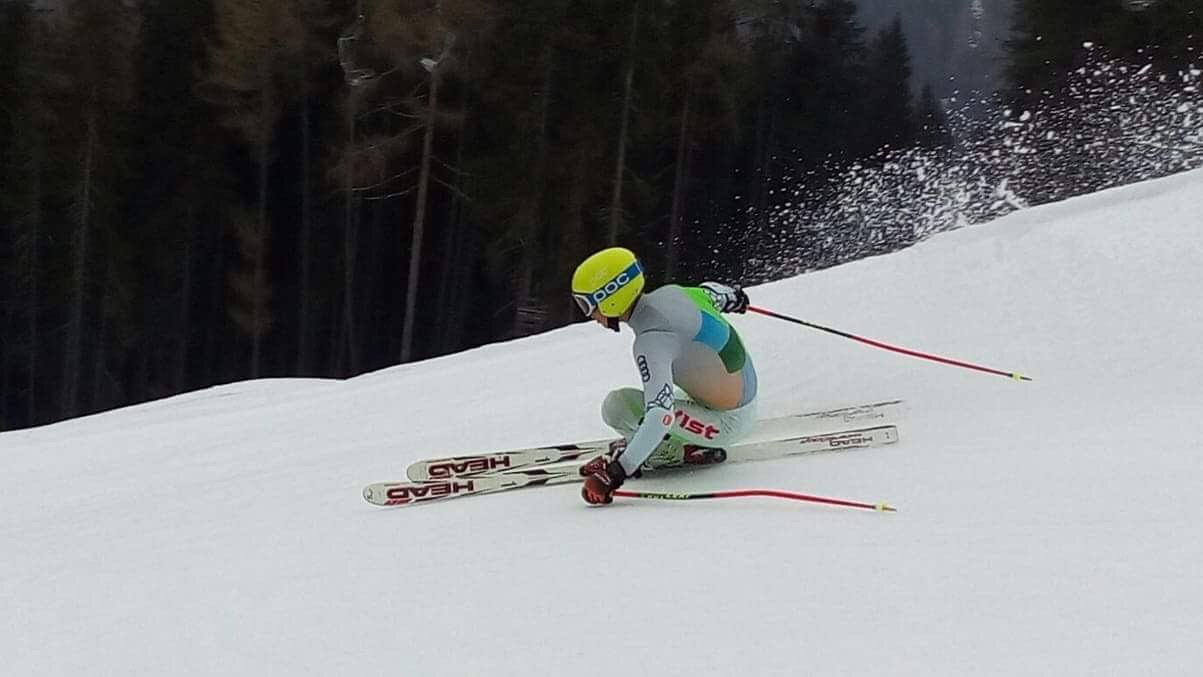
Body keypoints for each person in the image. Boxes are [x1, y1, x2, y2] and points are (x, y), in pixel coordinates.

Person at [570, 247, 758, 505]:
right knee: (648, 403)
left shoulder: (653, 339)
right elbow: (713, 293)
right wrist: (735, 297)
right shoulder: (673, 294)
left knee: (617, 407)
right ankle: (651, 443)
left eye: (587, 305)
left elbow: (661, 416)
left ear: (610, 298)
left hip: (726, 424)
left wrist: (617, 472)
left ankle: (669, 452)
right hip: (735, 402)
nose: (590, 315)